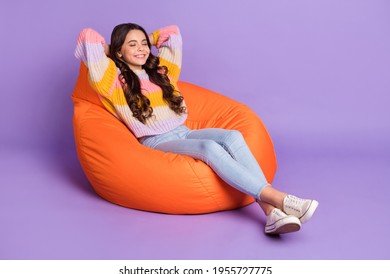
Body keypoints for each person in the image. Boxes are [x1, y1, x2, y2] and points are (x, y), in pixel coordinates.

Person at [75, 23, 319, 235]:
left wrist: (143, 40)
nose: (141, 49)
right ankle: (279, 198)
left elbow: (171, 34)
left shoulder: (161, 71)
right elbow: (87, 37)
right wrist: (112, 49)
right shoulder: (111, 80)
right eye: (132, 45)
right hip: (155, 141)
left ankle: (271, 213)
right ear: (118, 50)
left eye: (143, 44)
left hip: (183, 131)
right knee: (209, 147)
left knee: (232, 136)